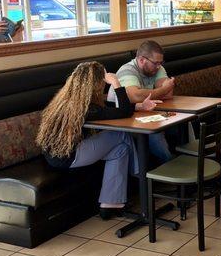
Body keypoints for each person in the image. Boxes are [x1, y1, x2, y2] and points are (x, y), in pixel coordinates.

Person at [36, 62, 159, 220]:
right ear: (96, 84)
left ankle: (111, 204)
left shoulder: (70, 101)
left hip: (56, 155)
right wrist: (115, 83)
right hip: (68, 156)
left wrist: (138, 106)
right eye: (102, 82)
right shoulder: (88, 108)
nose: (104, 85)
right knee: (121, 135)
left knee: (120, 150)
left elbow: (110, 108)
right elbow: (122, 112)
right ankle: (141, 176)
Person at [110, 40, 175, 162]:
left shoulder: (156, 67)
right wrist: (163, 89)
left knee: (182, 122)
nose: (158, 66)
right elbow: (135, 96)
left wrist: (162, 90)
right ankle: (173, 168)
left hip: (142, 114)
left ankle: (190, 161)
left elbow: (169, 94)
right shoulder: (127, 70)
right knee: (155, 134)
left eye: (160, 63)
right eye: (155, 63)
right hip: (121, 121)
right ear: (141, 60)